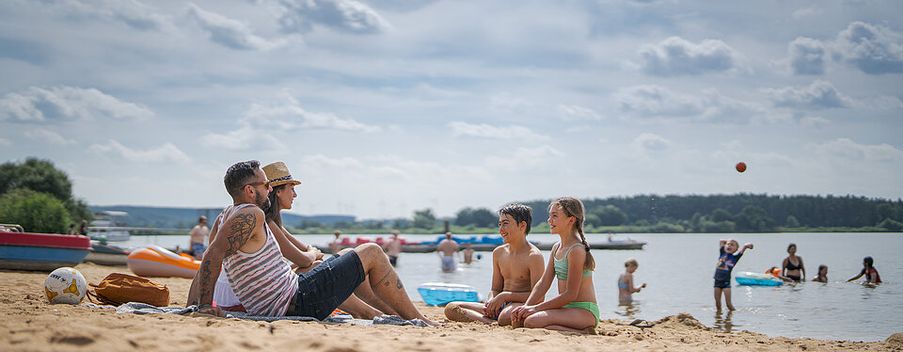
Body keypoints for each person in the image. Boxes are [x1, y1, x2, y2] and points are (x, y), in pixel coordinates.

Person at [187, 160, 433, 325]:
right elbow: (212, 257)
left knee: (349, 255)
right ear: (250, 190)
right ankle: (419, 319)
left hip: (291, 295)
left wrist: (194, 306)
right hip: (295, 303)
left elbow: (208, 257)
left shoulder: (224, 217)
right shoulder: (251, 214)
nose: (270, 190)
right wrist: (205, 306)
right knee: (371, 251)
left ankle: (394, 315)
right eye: (266, 184)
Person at [444, 203, 544, 325]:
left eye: (506, 223)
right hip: (500, 303)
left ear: (522, 225)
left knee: (505, 317)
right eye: (500, 224)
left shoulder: (533, 256)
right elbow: (495, 288)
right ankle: (490, 322)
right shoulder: (499, 252)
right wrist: (491, 301)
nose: (501, 229)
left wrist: (505, 296)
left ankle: (494, 321)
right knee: (452, 307)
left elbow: (538, 297)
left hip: (520, 305)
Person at [511, 197, 599, 333]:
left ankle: (583, 331)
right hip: (566, 309)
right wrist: (527, 306)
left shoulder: (576, 250)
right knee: (520, 320)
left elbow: (571, 294)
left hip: (584, 310)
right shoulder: (556, 247)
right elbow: (543, 283)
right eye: (549, 215)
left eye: (554, 216)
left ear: (571, 220)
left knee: (531, 321)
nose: (549, 220)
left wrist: (535, 309)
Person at [713, 239, 753, 312]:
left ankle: (732, 318)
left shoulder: (735, 257)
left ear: (736, 249)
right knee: (717, 304)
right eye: (728, 244)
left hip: (726, 283)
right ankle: (718, 318)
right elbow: (721, 241)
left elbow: (742, 251)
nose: (729, 246)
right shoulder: (722, 252)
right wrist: (728, 241)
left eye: (732, 245)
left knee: (728, 304)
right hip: (717, 282)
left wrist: (746, 246)